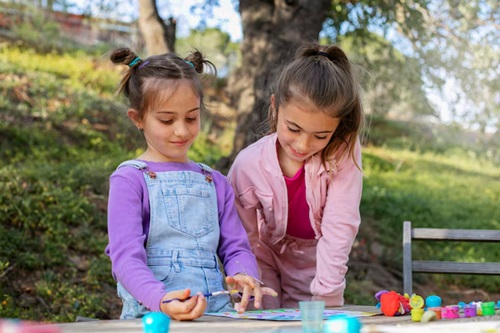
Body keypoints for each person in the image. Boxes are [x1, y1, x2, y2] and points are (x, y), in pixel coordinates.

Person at [105, 47, 276, 321]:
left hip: (216, 318)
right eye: (167, 120)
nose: (182, 130)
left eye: (191, 117)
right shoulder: (130, 180)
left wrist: (244, 274)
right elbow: (126, 258)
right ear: (137, 118)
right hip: (153, 318)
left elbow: (236, 247)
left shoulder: (215, 182)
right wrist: (160, 300)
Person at [227, 43, 364, 309]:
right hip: (263, 256)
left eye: (320, 136)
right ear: (276, 106)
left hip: (315, 261)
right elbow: (242, 236)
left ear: (337, 128)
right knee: (262, 321)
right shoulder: (248, 164)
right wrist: (248, 280)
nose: (302, 145)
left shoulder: (342, 153)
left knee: (308, 322)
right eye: (293, 128)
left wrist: (328, 303)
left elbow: (339, 229)